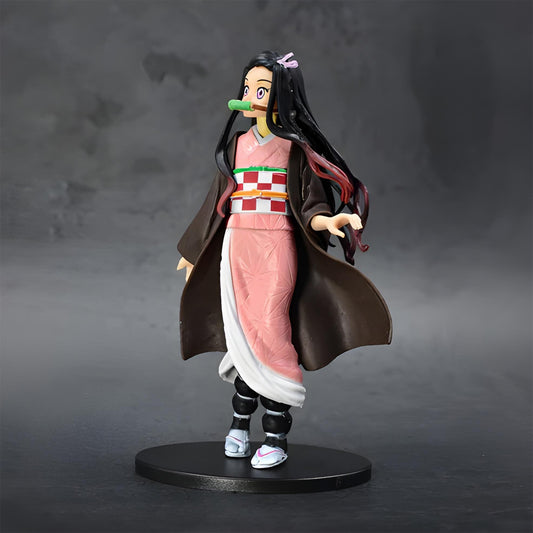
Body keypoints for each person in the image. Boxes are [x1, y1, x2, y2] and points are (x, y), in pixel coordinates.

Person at [177, 51, 392, 469]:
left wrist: (328, 220)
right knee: (242, 335)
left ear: (282, 97)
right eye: (247, 89)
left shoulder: (295, 150)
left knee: (272, 330)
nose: (250, 97)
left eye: (262, 90)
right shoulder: (236, 147)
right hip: (236, 245)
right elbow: (214, 204)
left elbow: (311, 204)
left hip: (276, 244)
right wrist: (193, 253)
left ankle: (275, 434)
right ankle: (239, 426)